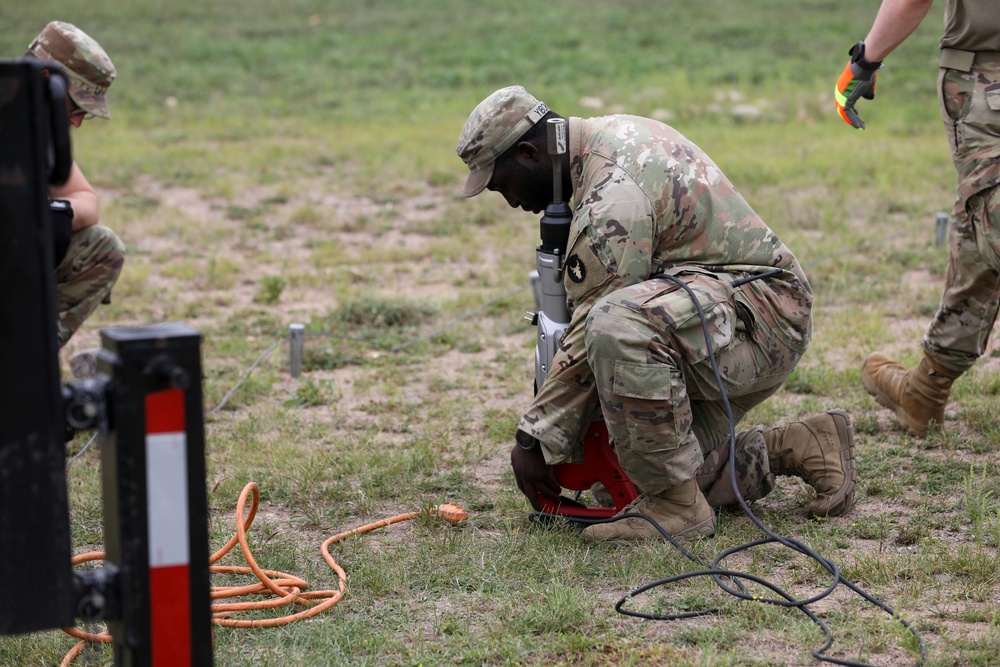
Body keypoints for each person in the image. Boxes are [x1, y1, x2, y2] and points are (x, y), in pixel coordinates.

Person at [456, 86, 858, 541]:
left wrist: (533, 436)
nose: (510, 202)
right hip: (721, 314)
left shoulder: (614, 194)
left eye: (501, 184)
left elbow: (598, 321)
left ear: (529, 153)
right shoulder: (605, 138)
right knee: (632, 477)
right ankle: (798, 445)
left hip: (763, 318)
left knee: (615, 324)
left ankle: (677, 510)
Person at [835, 1, 1000, 437]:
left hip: (986, 78)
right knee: (981, 218)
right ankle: (926, 389)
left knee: (989, 218)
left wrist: (865, 59)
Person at [25, 21, 125, 353]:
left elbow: (86, 200)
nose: (77, 121)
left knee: (103, 247)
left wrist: (58, 213)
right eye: (76, 105)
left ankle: (27, 358)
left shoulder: (36, 132)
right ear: (45, 80)